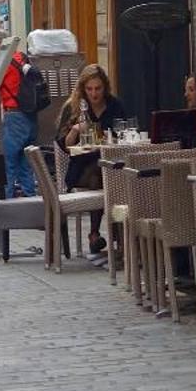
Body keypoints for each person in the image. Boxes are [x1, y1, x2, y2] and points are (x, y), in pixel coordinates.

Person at [55, 63, 128, 260]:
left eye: (98, 88)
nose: (94, 93)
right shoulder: (73, 108)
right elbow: (64, 145)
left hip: (112, 162)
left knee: (118, 178)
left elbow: (123, 133)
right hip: (82, 167)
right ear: (83, 89)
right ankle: (97, 234)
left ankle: (121, 237)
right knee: (100, 176)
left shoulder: (115, 105)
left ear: (105, 88)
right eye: (89, 89)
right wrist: (76, 129)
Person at [0, 31, 52, 199]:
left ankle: (7, 200)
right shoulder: (21, 58)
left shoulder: (3, 63)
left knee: (8, 162)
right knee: (26, 160)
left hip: (14, 116)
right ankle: (30, 196)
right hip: (30, 116)